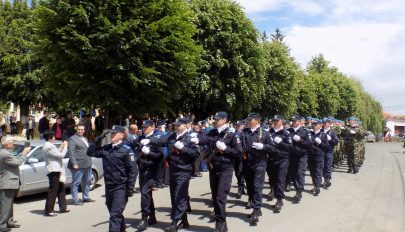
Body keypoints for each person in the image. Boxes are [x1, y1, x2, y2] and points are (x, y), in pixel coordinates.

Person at [141, 118, 200, 231]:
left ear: (185, 125)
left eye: (179, 125)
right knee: (174, 195)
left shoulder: (191, 137)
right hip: (173, 169)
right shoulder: (172, 136)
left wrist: (183, 148)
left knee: (179, 195)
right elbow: (162, 141)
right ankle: (184, 220)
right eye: (175, 124)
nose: (176, 126)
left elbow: (196, 153)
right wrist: (150, 141)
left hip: (184, 170)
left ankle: (175, 221)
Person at [192, 111, 242, 232]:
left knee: (220, 196)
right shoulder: (212, 132)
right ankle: (219, 217)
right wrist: (195, 139)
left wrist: (226, 148)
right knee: (214, 196)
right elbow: (204, 139)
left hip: (226, 168)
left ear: (224, 120)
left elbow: (239, 153)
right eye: (214, 119)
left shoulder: (232, 134)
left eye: (218, 119)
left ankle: (221, 223)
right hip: (213, 167)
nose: (215, 121)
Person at [87, 126, 136, 232]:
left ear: (121, 135)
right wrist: (98, 139)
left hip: (121, 187)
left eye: (115, 133)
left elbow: (133, 171)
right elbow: (90, 152)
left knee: (115, 215)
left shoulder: (127, 150)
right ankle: (122, 228)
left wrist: (130, 188)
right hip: (109, 186)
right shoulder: (107, 148)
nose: (112, 135)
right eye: (112, 133)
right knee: (113, 212)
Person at [241, 113, 276, 224]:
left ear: (257, 120)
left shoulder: (264, 133)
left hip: (259, 163)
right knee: (250, 187)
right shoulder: (244, 132)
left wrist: (263, 147)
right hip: (247, 162)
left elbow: (272, 148)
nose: (248, 122)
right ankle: (256, 207)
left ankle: (256, 210)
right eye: (248, 120)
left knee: (257, 186)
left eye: (250, 120)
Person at [135, 120, 164, 231]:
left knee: (144, 192)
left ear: (152, 127)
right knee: (146, 193)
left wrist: (149, 153)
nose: (144, 128)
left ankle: (144, 218)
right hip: (142, 168)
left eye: (146, 127)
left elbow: (160, 156)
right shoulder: (140, 138)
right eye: (143, 127)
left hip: (151, 169)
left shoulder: (157, 138)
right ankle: (152, 217)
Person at [0, 136, 31, 232]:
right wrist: (24, 153)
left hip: (8, 182)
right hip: (6, 182)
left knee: (9, 204)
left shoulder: (5, 152)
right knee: (5, 205)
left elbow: (15, 159)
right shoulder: (5, 154)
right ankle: (2, 225)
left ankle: (9, 222)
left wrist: (22, 154)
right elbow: (18, 162)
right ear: (8, 144)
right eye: (12, 142)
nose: (13, 144)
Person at [268, 115, 292, 212]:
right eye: (274, 121)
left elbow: (290, 147)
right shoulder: (269, 132)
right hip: (271, 159)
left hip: (282, 159)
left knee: (280, 180)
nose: (275, 122)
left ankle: (279, 200)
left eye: (277, 121)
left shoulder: (286, 133)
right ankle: (273, 191)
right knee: (272, 178)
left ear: (281, 122)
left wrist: (281, 142)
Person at [42, 130, 70, 216]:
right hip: (53, 170)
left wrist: (61, 147)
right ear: (49, 138)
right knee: (53, 190)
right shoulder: (48, 146)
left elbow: (56, 153)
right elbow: (60, 155)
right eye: (53, 136)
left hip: (57, 169)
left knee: (61, 188)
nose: (54, 138)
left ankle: (63, 207)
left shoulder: (50, 145)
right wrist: (65, 147)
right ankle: (48, 210)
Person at [67, 124, 94, 205]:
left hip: (87, 164)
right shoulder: (72, 139)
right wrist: (74, 163)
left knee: (87, 181)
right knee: (76, 183)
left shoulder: (85, 138)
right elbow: (71, 153)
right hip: (78, 165)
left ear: (84, 131)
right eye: (78, 129)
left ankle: (85, 197)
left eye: (81, 129)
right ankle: (75, 200)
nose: (79, 131)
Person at [287, 116, 312, 203]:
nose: (292, 122)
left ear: (299, 122)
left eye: (294, 121)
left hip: (302, 155)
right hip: (292, 155)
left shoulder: (305, 131)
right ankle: (295, 185)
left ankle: (299, 191)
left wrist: (300, 140)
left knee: (300, 172)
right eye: (292, 121)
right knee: (293, 173)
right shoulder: (289, 131)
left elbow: (309, 144)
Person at [308, 119, 328, 196]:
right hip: (311, 155)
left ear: (320, 126)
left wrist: (320, 143)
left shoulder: (323, 135)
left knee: (318, 171)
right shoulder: (310, 134)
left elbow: (326, 147)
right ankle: (315, 185)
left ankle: (318, 187)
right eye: (313, 124)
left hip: (319, 155)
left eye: (316, 124)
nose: (314, 126)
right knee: (312, 171)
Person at [322, 118, 339, 189]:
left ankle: (328, 182)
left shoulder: (332, 132)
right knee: (322, 167)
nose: (325, 124)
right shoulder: (321, 131)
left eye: (326, 123)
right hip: (321, 152)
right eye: (324, 123)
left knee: (328, 167)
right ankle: (325, 180)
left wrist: (330, 139)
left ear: (329, 123)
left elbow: (335, 142)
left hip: (329, 152)